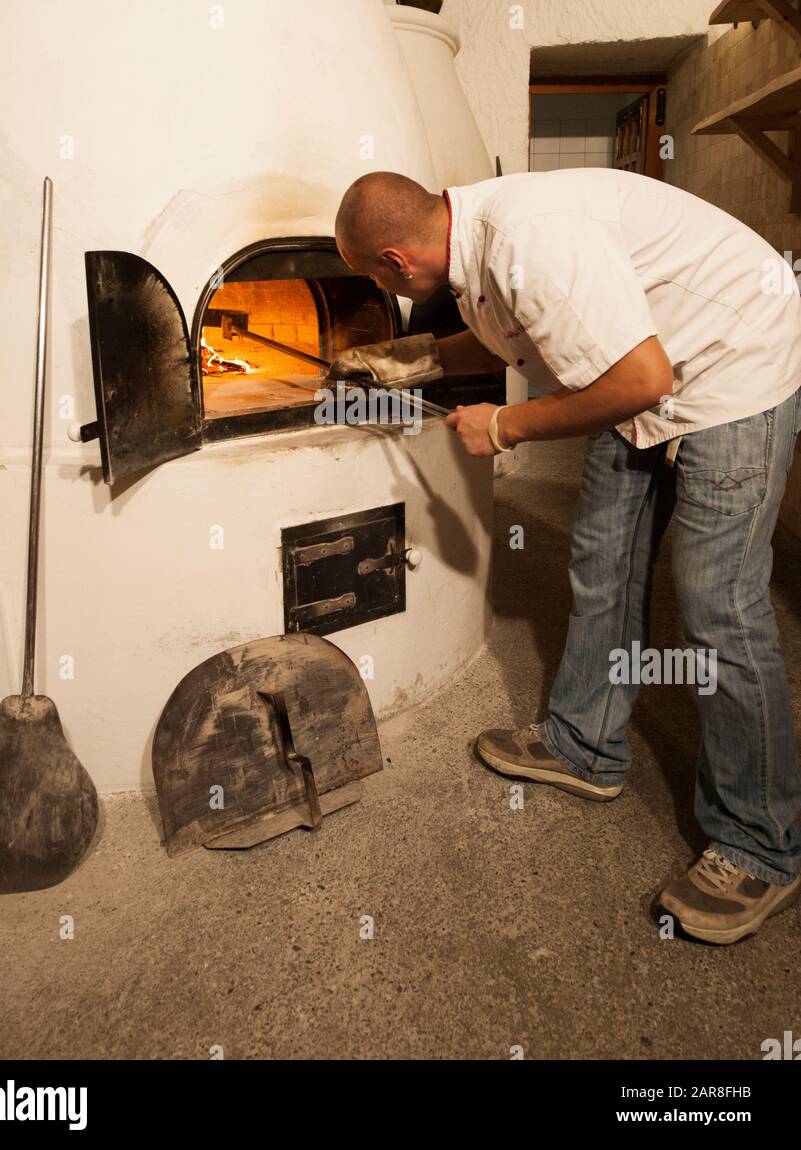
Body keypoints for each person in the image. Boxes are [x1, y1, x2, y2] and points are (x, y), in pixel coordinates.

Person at [332, 168, 801, 945]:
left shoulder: (526, 239)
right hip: (653, 369)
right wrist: (413, 358)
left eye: (371, 280)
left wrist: (506, 427)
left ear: (392, 263)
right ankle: (585, 746)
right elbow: (510, 330)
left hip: (733, 363)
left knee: (716, 600)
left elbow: (641, 378)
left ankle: (762, 843)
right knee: (602, 553)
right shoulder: (470, 238)